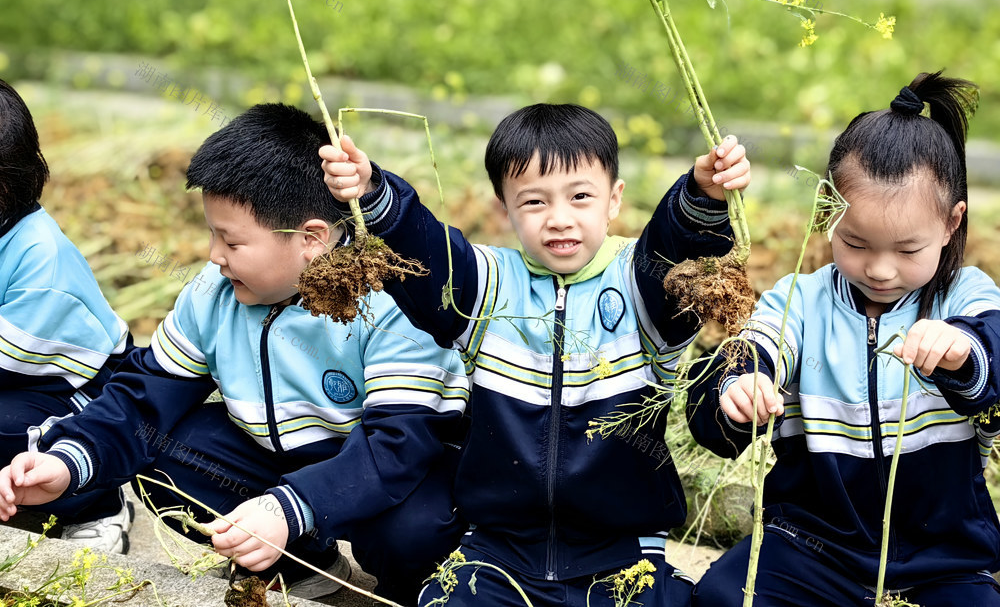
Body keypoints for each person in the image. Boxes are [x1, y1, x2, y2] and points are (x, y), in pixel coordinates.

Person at [0, 103, 469, 605]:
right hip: (278, 463)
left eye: (231, 241)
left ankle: (414, 591)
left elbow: (397, 444)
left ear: (311, 238)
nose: (214, 255)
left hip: (392, 473)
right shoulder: (215, 292)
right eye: (212, 233)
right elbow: (143, 397)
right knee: (163, 454)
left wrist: (291, 507)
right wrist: (69, 461)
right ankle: (300, 564)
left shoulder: (391, 298)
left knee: (412, 533)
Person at [320, 103, 751, 606]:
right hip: (495, 554)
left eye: (581, 196)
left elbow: (676, 250)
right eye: (533, 202)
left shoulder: (641, 286)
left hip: (625, 557)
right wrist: (374, 194)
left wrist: (701, 199)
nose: (559, 219)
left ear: (614, 199)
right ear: (504, 208)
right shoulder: (486, 287)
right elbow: (427, 254)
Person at [687, 71, 1000, 606]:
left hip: (942, 561)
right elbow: (751, 351)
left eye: (907, 250)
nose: (879, 269)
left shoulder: (965, 296)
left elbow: (992, 356)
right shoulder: (801, 301)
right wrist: (737, 387)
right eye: (855, 243)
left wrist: (961, 351)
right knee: (723, 596)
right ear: (828, 210)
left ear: (952, 223)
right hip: (810, 549)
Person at [0, 77, 134, 553]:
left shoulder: (42, 258)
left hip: (81, 389)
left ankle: (96, 503)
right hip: (23, 375)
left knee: (7, 430)